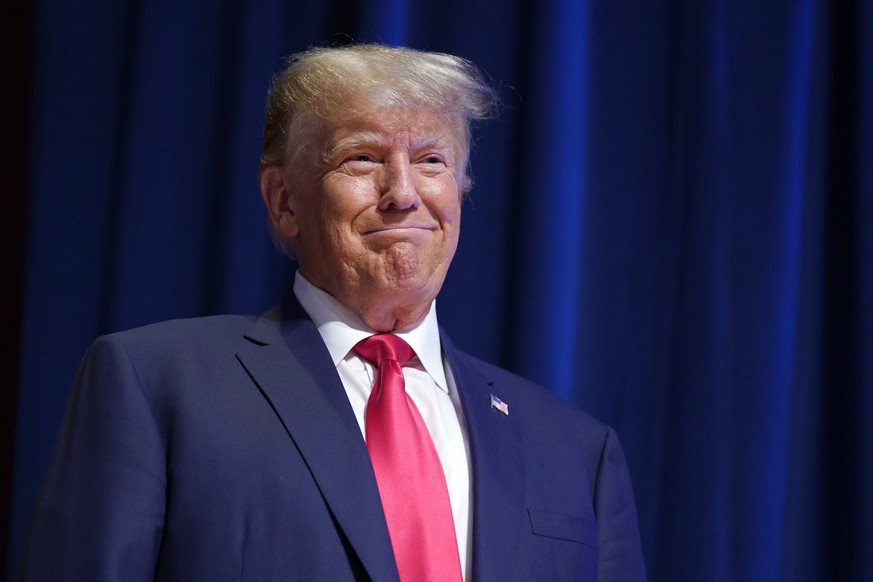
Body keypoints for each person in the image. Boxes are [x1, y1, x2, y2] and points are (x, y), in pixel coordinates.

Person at [17, 44, 647, 581]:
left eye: (431, 160)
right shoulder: (155, 386)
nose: (404, 193)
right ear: (284, 200)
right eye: (363, 158)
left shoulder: (577, 450)